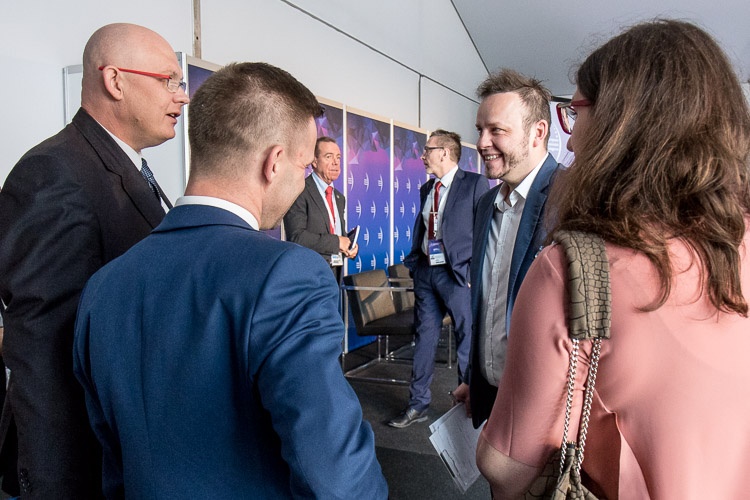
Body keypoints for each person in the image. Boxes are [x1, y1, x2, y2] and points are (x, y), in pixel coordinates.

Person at [72, 62, 388, 498]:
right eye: (303, 168)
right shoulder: (289, 274)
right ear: (274, 162)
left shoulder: (104, 285)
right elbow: (336, 476)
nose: (302, 184)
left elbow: (110, 455)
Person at [476, 19, 750, 498]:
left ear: (619, 122)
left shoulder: (573, 269)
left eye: (575, 113)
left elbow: (506, 467)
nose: (572, 140)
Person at [0, 23, 188, 497]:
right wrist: (57, 487)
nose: (182, 96)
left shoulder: (124, 167)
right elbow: (44, 353)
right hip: (83, 469)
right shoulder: (55, 172)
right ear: (115, 80)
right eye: (167, 80)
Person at [451, 69, 564, 428]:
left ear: (538, 133)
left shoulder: (570, 198)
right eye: (480, 130)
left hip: (546, 407)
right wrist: (475, 378)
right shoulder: (486, 204)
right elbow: (487, 303)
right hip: (490, 393)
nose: (482, 142)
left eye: (496, 130)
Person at [388, 129, 489, 428]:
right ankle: (417, 404)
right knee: (424, 337)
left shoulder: (474, 184)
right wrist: (416, 265)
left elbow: (484, 230)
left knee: (466, 338)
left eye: (427, 149)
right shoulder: (427, 188)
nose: (422, 155)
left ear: (444, 152)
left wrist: (473, 272)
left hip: (456, 274)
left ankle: (465, 406)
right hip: (426, 272)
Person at [284, 136, 358, 282]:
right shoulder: (300, 191)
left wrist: (350, 246)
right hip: (309, 278)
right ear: (314, 161)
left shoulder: (339, 198)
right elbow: (297, 237)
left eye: (338, 157)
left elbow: (337, 232)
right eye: (328, 157)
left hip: (334, 275)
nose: (335, 162)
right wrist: (337, 242)